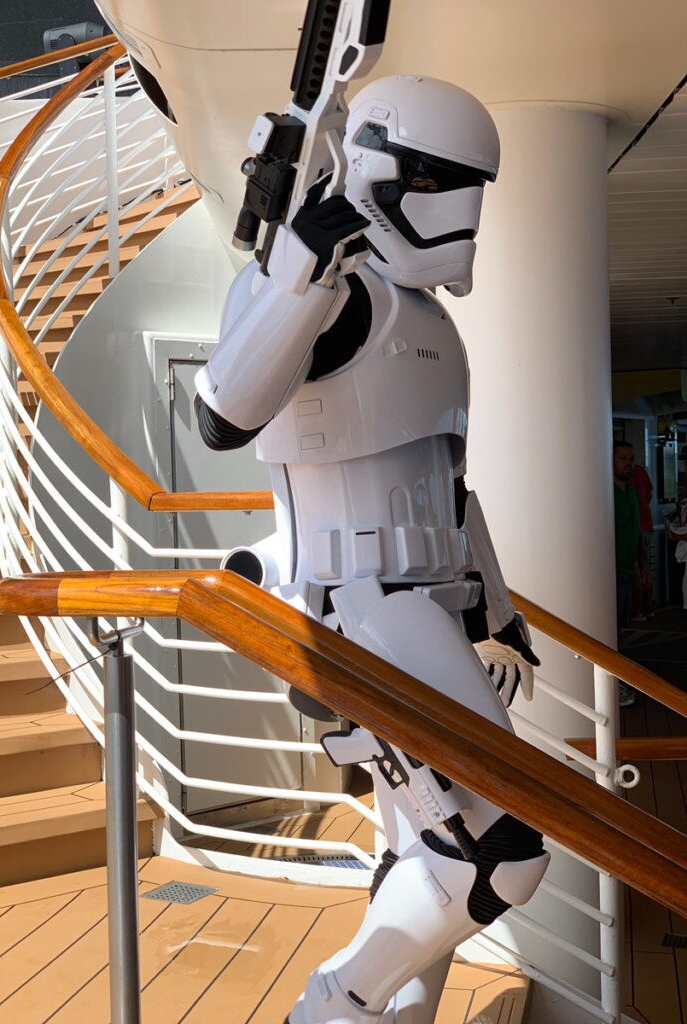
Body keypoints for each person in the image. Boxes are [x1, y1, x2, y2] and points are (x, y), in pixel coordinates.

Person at [194, 75, 549, 1024]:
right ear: (383, 173)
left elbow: (449, 490)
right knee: (502, 855)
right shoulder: (318, 292)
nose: (460, 215)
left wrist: (501, 616)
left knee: (418, 855)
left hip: (424, 609)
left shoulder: (422, 318)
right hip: (362, 616)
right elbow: (223, 414)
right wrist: (299, 272)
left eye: (472, 189)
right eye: (443, 183)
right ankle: (336, 1002)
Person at [613, 440, 644, 707]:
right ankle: (613, 683)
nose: (628, 463)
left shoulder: (632, 492)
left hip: (626, 571)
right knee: (610, 630)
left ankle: (615, 681)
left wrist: (641, 567)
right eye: (623, 458)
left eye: (631, 458)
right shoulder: (607, 493)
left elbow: (636, 533)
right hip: (609, 574)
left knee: (620, 628)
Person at [630, 460, 654, 620]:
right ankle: (648, 609)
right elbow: (650, 493)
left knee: (636, 569)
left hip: (636, 525)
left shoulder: (623, 477)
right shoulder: (640, 470)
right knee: (645, 567)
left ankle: (638, 611)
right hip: (647, 523)